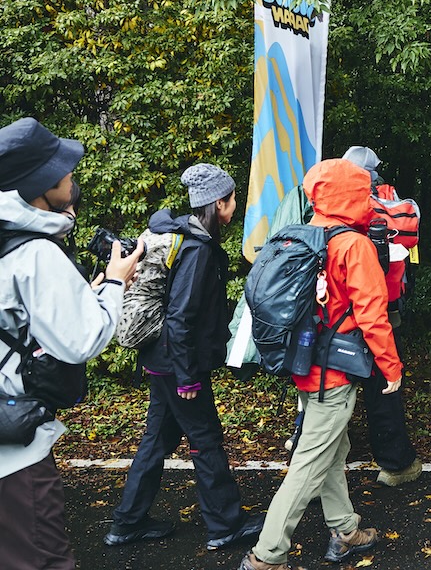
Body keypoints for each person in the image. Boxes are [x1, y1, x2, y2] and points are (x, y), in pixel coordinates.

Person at [239, 158, 403, 570]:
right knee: (309, 462)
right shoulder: (353, 245)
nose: (369, 201)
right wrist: (392, 367)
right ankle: (267, 555)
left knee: (332, 446)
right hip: (335, 372)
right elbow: (372, 316)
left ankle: (345, 530)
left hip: (303, 362)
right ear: (350, 195)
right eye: (363, 193)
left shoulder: (303, 236)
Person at [0, 117, 142, 570]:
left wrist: (89, 294)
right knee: (44, 559)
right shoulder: (35, 252)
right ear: (40, 184)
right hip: (14, 458)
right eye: (63, 169)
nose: (71, 176)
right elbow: (82, 339)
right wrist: (115, 283)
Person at [105, 163, 265, 551]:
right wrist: (188, 376)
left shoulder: (186, 238)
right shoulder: (198, 250)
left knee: (156, 441)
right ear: (219, 203)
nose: (235, 204)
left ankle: (127, 523)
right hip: (177, 364)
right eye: (232, 198)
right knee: (206, 439)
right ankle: (225, 524)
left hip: (162, 359)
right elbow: (181, 317)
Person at [341, 146, 423, 486]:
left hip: (340, 318)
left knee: (331, 389)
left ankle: (319, 462)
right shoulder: (395, 208)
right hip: (386, 313)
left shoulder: (337, 206)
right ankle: (395, 465)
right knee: (384, 390)